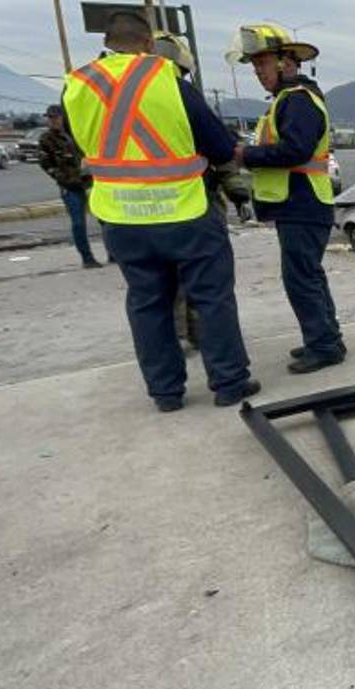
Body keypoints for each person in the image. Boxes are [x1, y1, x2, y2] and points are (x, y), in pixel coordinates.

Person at [63, 10, 258, 411]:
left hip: (122, 218)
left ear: (107, 43)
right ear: (149, 43)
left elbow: (79, 143)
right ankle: (229, 383)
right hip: (184, 211)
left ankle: (166, 393)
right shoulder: (168, 80)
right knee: (211, 298)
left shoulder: (78, 86)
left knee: (147, 302)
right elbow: (219, 146)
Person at [231, 23, 345, 374]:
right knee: (308, 275)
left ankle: (323, 346)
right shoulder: (289, 99)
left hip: (303, 203)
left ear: (285, 63)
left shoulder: (298, 100)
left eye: (262, 65)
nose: (258, 73)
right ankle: (327, 338)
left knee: (301, 279)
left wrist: (246, 155)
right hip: (299, 203)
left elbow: (295, 150)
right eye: (255, 67)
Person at [153, 30, 252, 351]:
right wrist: (239, 196)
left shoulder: (109, 99)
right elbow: (221, 150)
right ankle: (213, 351)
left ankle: (174, 345)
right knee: (207, 283)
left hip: (132, 214)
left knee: (156, 288)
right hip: (191, 205)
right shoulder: (181, 94)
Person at [37, 105, 105, 268]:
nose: (52, 121)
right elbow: (45, 163)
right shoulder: (46, 139)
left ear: (63, 117)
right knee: (78, 223)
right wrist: (62, 177)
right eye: (50, 118)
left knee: (105, 220)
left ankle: (114, 254)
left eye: (55, 117)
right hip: (70, 187)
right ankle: (87, 258)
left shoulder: (76, 133)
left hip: (90, 182)